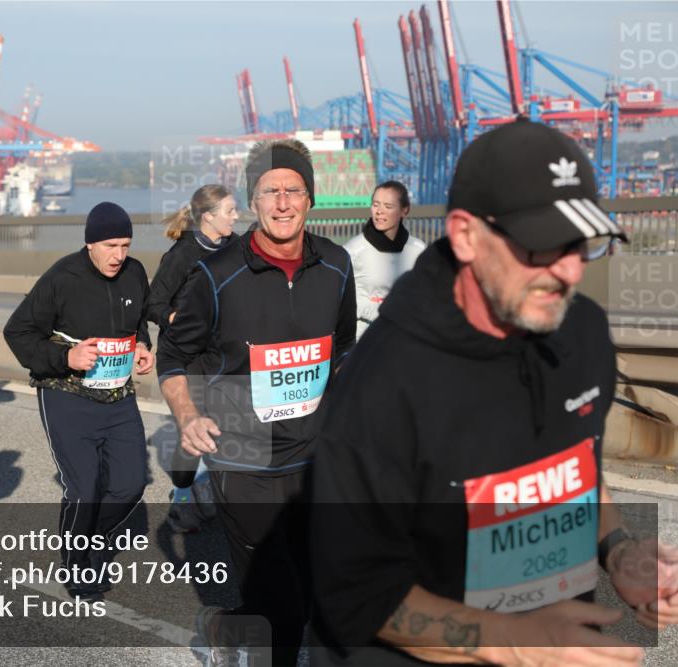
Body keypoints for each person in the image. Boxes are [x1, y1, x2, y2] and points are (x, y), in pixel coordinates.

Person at [311, 118, 678, 666]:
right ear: (464, 235)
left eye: (582, 243)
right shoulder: (381, 384)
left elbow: (575, 465)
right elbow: (356, 596)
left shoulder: (580, 333)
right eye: (544, 245)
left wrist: (617, 550)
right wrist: (516, 642)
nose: (571, 270)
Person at [156, 139, 356, 665]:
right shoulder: (216, 274)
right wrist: (188, 415)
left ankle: (222, 625)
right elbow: (174, 354)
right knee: (283, 611)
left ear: (311, 200)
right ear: (253, 201)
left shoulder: (337, 266)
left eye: (294, 190)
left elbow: (343, 351)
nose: (283, 202)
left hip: (314, 461)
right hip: (243, 462)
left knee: (309, 594)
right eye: (271, 192)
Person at [4, 201, 155, 602]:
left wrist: (143, 344)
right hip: (66, 395)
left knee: (131, 485)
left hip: (119, 397)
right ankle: (77, 564)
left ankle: (92, 538)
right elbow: (17, 332)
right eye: (110, 245)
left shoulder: (135, 272)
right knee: (84, 487)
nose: (118, 255)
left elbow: (138, 318)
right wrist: (65, 358)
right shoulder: (63, 277)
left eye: (125, 245)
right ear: (90, 243)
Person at [147, 184, 238, 534]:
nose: (236, 216)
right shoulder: (182, 254)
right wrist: (181, 321)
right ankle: (182, 495)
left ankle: (212, 488)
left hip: (220, 352)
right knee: (195, 428)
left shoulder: (234, 246)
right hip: (185, 356)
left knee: (227, 424)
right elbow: (154, 303)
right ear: (209, 216)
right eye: (230, 211)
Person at [344, 180, 426, 339]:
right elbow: (339, 300)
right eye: (376, 205)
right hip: (364, 340)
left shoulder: (419, 250)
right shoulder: (353, 250)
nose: (379, 211)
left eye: (388, 206)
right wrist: (379, 308)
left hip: (407, 337)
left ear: (404, 210)